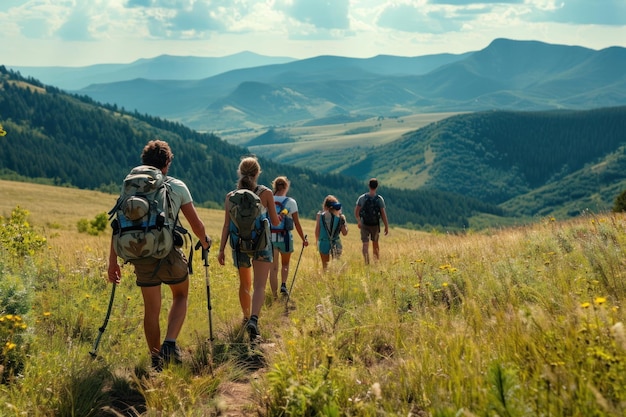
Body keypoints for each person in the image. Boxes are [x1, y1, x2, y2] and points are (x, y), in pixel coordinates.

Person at [107, 139, 211, 371]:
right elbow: (196, 225)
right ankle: (170, 344)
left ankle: (155, 361)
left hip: (140, 254)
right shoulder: (177, 186)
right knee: (181, 295)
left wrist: (112, 263)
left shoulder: (130, 186)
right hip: (168, 253)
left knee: (151, 309)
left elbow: (118, 225)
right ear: (166, 163)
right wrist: (205, 243)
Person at [217, 156, 279, 340]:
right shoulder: (266, 193)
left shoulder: (230, 197)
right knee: (260, 284)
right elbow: (275, 221)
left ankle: (245, 317)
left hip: (239, 244)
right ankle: (254, 320)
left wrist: (221, 250)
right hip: (261, 243)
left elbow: (227, 225)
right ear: (257, 173)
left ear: (240, 173)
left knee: (245, 284)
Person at [269, 176, 308, 298]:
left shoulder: (268, 199)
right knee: (285, 264)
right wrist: (303, 239)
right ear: (286, 187)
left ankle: (274, 296)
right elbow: (296, 223)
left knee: (273, 269)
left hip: (270, 238)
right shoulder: (291, 202)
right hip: (285, 239)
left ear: (274, 186)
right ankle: (284, 284)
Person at [354, 178, 389, 264]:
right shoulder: (379, 199)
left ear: (369, 186)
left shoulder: (362, 198)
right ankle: (376, 263)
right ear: (377, 187)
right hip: (375, 225)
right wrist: (386, 226)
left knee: (365, 244)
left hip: (364, 224)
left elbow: (356, 211)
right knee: (375, 243)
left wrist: (359, 221)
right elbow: (383, 214)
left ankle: (367, 263)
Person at [315, 195, 348, 271]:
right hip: (336, 243)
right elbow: (345, 233)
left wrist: (317, 241)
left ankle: (326, 280)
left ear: (325, 206)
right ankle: (334, 279)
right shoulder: (340, 218)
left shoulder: (320, 217)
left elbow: (317, 231)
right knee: (335, 265)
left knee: (325, 266)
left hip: (323, 242)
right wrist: (344, 221)